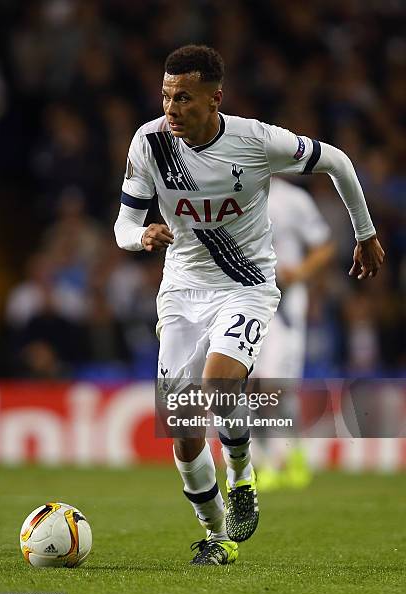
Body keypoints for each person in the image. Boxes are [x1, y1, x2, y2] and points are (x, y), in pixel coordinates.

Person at [114, 45, 384, 565]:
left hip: (247, 285)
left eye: (184, 98)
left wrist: (365, 233)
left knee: (219, 382)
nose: (171, 108)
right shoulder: (149, 142)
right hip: (182, 291)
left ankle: (241, 473)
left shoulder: (257, 140)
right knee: (183, 431)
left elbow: (339, 162)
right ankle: (218, 535)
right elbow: (124, 222)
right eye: (167, 96)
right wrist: (140, 236)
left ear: (216, 98)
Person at [252, 178, 335, 489]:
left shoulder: (292, 198)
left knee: (275, 386)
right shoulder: (232, 190)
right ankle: (264, 463)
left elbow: (324, 244)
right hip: (248, 300)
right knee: (249, 384)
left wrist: (299, 273)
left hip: (286, 304)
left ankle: (293, 452)